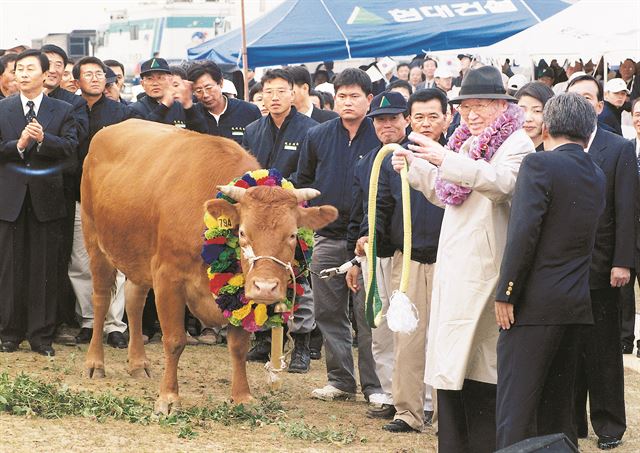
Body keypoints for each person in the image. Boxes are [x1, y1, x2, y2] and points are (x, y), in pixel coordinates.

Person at [391, 66, 534, 453]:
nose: (471, 114)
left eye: (481, 106)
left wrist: (442, 159)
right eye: (466, 106)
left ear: (502, 106)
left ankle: (481, 444)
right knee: (452, 365)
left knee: (480, 366)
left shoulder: (517, 143)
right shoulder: (469, 142)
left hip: (487, 270)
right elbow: (447, 192)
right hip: (457, 266)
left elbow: (501, 185)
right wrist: (418, 170)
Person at [494, 92, 606, 449]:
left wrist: (506, 291)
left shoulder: (539, 164)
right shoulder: (597, 172)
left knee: (516, 408)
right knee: (559, 412)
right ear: (589, 133)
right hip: (574, 305)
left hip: (534, 305)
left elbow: (524, 233)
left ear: (546, 127)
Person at [294, 68, 380, 402]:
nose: (347, 102)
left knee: (366, 314)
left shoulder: (379, 135)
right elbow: (304, 180)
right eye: (341, 95)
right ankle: (341, 380)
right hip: (327, 237)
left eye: (354, 95)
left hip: (367, 240)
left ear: (369, 100)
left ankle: (374, 385)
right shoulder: (318, 135)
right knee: (328, 311)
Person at [367, 89, 448, 433]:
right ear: (408, 121)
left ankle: (448, 415)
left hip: (450, 260)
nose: (426, 124)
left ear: (446, 118)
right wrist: (373, 244)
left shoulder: (459, 154)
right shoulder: (395, 157)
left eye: (433, 116)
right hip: (409, 259)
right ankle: (408, 412)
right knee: (407, 337)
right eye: (419, 117)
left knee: (446, 338)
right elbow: (382, 205)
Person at [568, 74, 637, 451]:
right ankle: (573, 421)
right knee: (569, 348)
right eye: (573, 96)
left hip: (603, 268)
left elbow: (626, 209)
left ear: (599, 106)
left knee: (603, 351)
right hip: (564, 270)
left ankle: (609, 425)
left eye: (588, 98)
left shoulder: (617, 148)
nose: (581, 103)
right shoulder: (554, 145)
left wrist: (622, 261)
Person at [0, 49, 78, 356]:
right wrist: (17, 145)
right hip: (10, 200)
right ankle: (9, 333)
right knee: (9, 268)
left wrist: (45, 138)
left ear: (45, 75)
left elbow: (71, 148)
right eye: (18, 68)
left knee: (44, 269)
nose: (22, 73)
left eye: (30, 68)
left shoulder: (62, 110)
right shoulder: (2, 108)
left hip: (47, 200)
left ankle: (41, 336)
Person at [241, 69, 319, 372]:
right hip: (260, 217)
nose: (274, 97)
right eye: (268, 91)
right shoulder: (253, 129)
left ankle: (302, 342)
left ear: (294, 93)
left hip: (292, 213)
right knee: (259, 270)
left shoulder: (310, 129)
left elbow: (308, 174)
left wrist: (283, 195)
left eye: (281, 91)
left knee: (298, 278)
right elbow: (248, 172)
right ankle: (262, 337)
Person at [69, 56, 139, 348]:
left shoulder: (121, 113)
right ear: (77, 81)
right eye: (88, 74)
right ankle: (88, 321)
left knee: (117, 263)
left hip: (114, 198)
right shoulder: (68, 110)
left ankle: (114, 325)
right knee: (81, 263)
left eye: (100, 74)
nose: (95, 78)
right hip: (78, 196)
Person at [41, 44, 89, 332]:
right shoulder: (16, 102)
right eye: (49, 62)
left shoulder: (73, 102)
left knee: (63, 255)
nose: (54, 68)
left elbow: (75, 139)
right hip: (22, 188)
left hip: (63, 188)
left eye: (60, 63)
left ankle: (60, 319)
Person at [187, 61, 261, 144]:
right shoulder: (191, 115)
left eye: (209, 88)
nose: (205, 95)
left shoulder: (249, 111)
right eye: (198, 90)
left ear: (221, 83)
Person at [131, 57, 206, 132]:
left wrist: (189, 106)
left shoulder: (181, 107)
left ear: (169, 80)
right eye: (150, 79)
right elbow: (144, 133)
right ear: (142, 84)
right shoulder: (134, 109)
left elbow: (201, 133)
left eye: (160, 78)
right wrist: (164, 105)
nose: (155, 83)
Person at [620, 97, 640, 357]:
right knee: (624, 292)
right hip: (628, 231)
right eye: (637, 113)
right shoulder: (626, 149)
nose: (639, 118)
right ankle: (625, 338)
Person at [515, 82, 555, 151]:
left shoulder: (555, 152)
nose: (528, 119)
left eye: (537, 111)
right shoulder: (506, 147)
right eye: (522, 110)